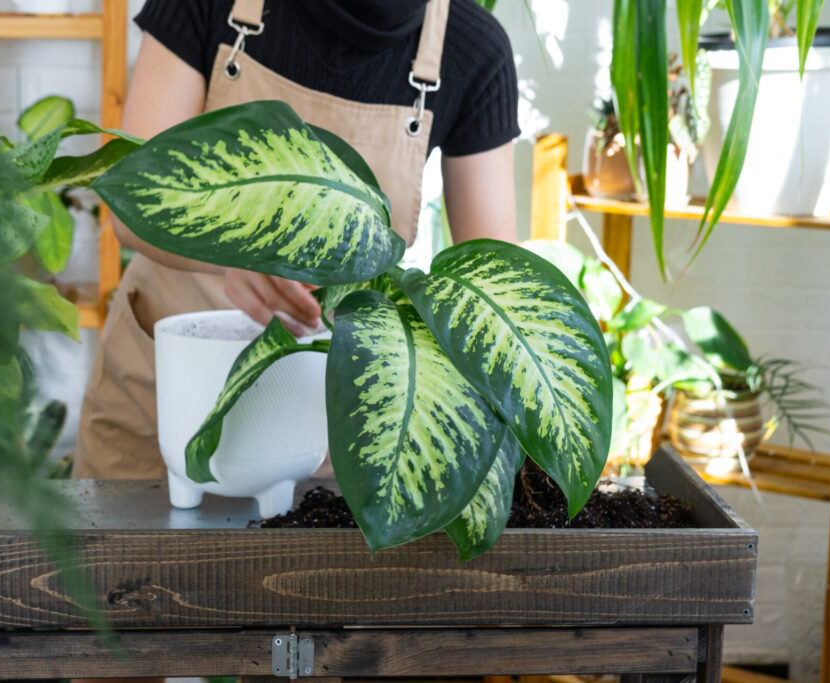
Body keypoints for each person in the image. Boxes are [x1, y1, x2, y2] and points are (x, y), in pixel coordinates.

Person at [72, 1, 518, 681]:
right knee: (116, 641)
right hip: (160, 401)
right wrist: (231, 251)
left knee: (299, 655)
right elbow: (134, 201)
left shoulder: (471, 49)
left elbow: (492, 284)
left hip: (322, 431)